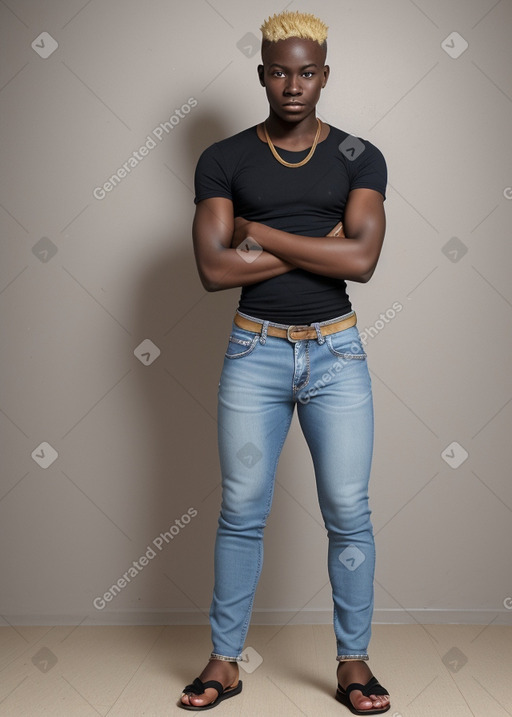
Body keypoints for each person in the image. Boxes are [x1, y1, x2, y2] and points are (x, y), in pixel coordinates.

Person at [179, 10, 390, 714]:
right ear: (261, 74)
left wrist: (259, 231)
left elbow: (361, 260)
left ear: (324, 75)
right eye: (278, 71)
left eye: (306, 72)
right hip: (254, 352)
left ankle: (353, 664)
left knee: (348, 511)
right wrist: (317, 239)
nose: (292, 85)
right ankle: (224, 661)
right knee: (241, 510)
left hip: (337, 352)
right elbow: (213, 270)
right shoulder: (224, 158)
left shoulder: (361, 156)